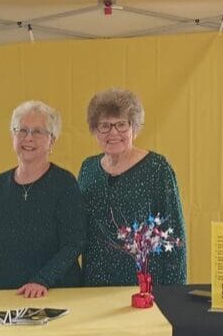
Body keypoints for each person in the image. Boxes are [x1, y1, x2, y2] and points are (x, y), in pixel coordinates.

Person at [77, 88, 187, 287]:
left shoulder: (157, 168)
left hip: (144, 285)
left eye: (121, 124)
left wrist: (174, 292)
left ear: (134, 128)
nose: (113, 133)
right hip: (93, 283)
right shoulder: (88, 168)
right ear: (95, 130)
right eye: (105, 126)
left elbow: (173, 234)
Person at [0, 101, 84, 298]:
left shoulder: (65, 183)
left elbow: (74, 243)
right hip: (9, 292)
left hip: (57, 291)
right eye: (22, 130)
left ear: (52, 140)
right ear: (13, 136)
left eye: (38, 131)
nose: (28, 138)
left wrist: (42, 280)